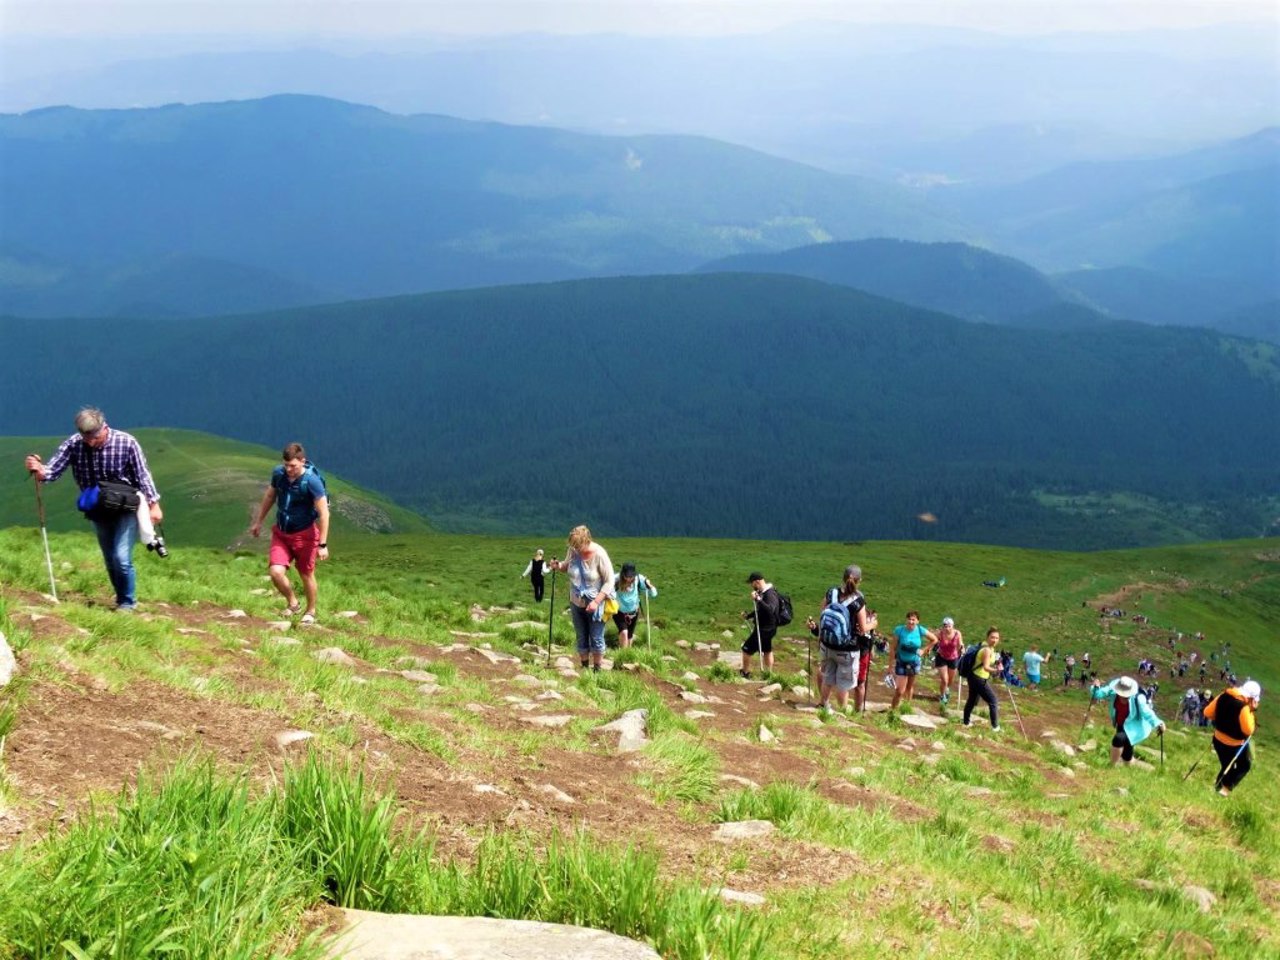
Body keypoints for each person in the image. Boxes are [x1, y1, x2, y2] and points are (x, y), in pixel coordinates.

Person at [25, 408, 163, 611]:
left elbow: (142, 475)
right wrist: (39, 469)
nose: (90, 442)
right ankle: (121, 596)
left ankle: (127, 603)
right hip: (98, 507)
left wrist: (154, 504)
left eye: (95, 437)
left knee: (121, 557)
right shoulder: (74, 444)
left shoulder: (126, 442)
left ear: (104, 428)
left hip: (127, 504)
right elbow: (52, 470)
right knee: (109, 558)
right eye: (85, 437)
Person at [249, 443, 330, 624]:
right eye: (286, 465)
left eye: (293, 465)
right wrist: (258, 521)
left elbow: (324, 513)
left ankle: (311, 611)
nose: (289, 469)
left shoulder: (312, 482)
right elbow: (270, 496)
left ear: (302, 461)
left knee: (306, 574)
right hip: (282, 533)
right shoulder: (279, 474)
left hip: (305, 535)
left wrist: (322, 544)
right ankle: (293, 603)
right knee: (275, 572)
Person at [805, 564, 877, 714]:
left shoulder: (831, 593)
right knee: (843, 684)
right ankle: (842, 712)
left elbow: (823, 614)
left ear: (843, 578)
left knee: (827, 678)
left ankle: (823, 705)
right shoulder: (858, 601)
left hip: (827, 644)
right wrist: (874, 623)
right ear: (859, 580)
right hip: (847, 648)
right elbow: (863, 628)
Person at [547, 525, 614, 672]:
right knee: (581, 634)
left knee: (596, 636)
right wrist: (558, 566)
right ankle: (584, 668)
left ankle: (597, 670)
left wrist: (596, 601)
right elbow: (566, 566)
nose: (575, 548)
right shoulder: (573, 551)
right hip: (576, 600)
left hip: (596, 602)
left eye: (578, 545)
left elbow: (610, 581)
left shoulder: (600, 554)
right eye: (573, 545)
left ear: (586, 541)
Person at [1090, 676, 1165, 767]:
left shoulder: (1138, 698)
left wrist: (1158, 723)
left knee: (1120, 741)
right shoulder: (1112, 690)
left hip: (1134, 726)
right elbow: (1098, 694)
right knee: (1124, 749)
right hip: (1120, 724)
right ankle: (1120, 766)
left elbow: (1147, 712)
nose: (1124, 697)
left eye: (1127, 696)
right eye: (1122, 695)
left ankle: (1114, 766)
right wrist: (1095, 687)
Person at [1203, 680, 1260, 797]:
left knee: (1226, 765)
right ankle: (1224, 790)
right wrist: (1252, 710)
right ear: (1252, 698)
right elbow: (1249, 730)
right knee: (1244, 765)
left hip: (1218, 740)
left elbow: (1207, 713)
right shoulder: (1244, 708)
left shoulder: (1223, 696)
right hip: (1233, 745)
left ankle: (1218, 788)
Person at [890, 611, 938, 710]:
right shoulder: (899, 630)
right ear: (906, 620)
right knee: (899, 690)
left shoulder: (920, 630)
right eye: (909, 619)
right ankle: (893, 710)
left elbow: (934, 639)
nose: (911, 622)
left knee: (909, 687)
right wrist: (890, 666)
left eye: (913, 620)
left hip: (914, 662)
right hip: (901, 661)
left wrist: (924, 650)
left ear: (917, 621)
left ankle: (906, 708)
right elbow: (893, 648)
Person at [741, 572, 781, 679]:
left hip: (765, 629)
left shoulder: (769, 594)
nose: (751, 586)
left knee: (746, 649)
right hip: (769, 628)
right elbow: (761, 610)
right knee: (767, 650)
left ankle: (745, 673)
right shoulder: (763, 592)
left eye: (752, 583)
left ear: (757, 582)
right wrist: (749, 616)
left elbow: (770, 609)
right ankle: (769, 674)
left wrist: (758, 599)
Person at [962, 627, 1002, 732]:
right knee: (993, 700)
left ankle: (966, 722)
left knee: (972, 700)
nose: (994, 640)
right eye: (992, 637)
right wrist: (997, 671)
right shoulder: (987, 650)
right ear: (987, 637)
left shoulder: (986, 646)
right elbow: (986, 667)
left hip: (973, 676)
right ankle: (995, 727)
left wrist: (997, 662)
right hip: (979, 678)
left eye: (997, 638)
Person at [612, 562, 657, 648]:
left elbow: (654, 594)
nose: (629, 579)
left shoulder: (639, 579)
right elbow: (605, 588)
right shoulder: (615, 579)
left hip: (634, 612)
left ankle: (628, 654)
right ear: (622, 574)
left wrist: (649, 585)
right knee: (624, 632)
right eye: (626, 576)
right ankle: (623, 655)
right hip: (619, 611)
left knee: (629, 636)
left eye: (631, 576)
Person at [933, 616, 963, 706]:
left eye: (949, 626)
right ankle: (942, 696)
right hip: (941, 657)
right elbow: (933, 640)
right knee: (944, 680)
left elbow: (960, 643)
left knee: (950, 680)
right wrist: (929, 648)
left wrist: (962, 648)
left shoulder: (957, 633)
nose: (947, 628)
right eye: (945, 626)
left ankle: (946, 689)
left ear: (952, 626)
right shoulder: (940, 633)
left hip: (953, 658)